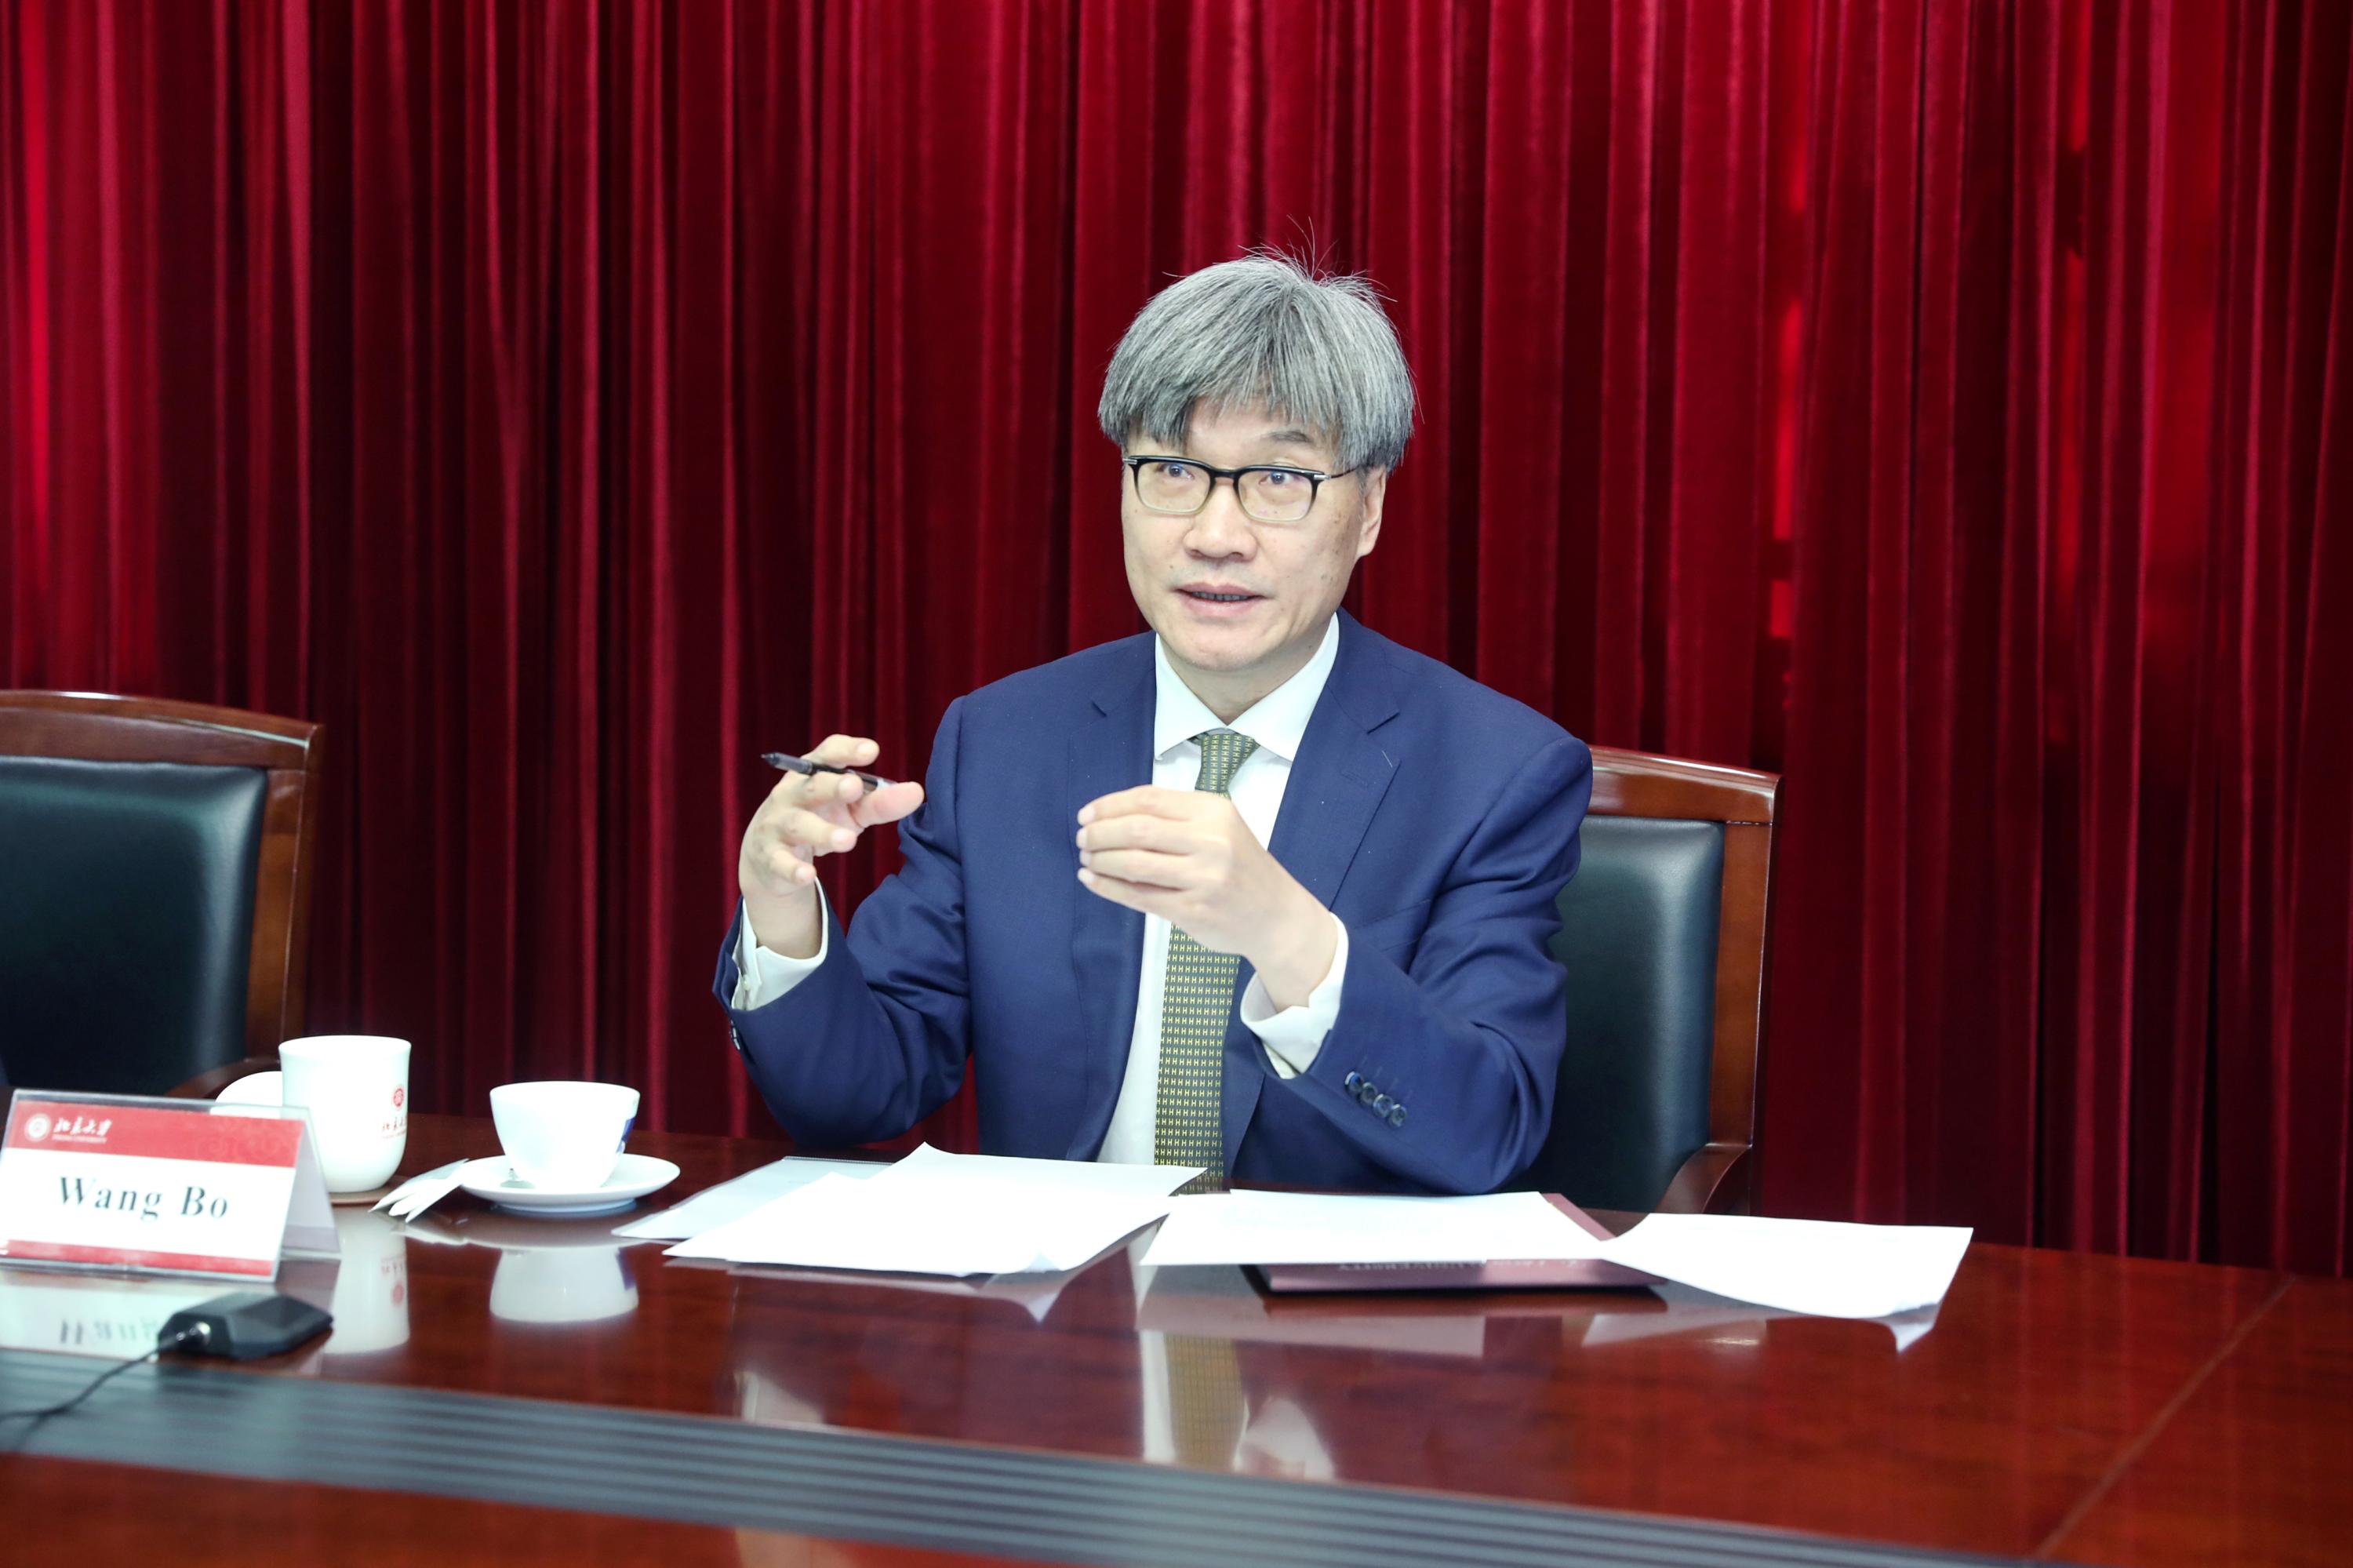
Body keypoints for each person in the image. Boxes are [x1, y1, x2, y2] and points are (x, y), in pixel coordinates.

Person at [715, 253, 1591, 1194]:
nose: (1216, 535)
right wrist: (780, 910)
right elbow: (855, 1096)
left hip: (1315, 1287)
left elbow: (1485, 1133)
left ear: (1369, 506)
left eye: (1278, 479)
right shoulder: (1003, 741)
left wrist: (1282, 928)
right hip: (1061, 1282)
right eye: (1173, 470)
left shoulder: (1492, 773)